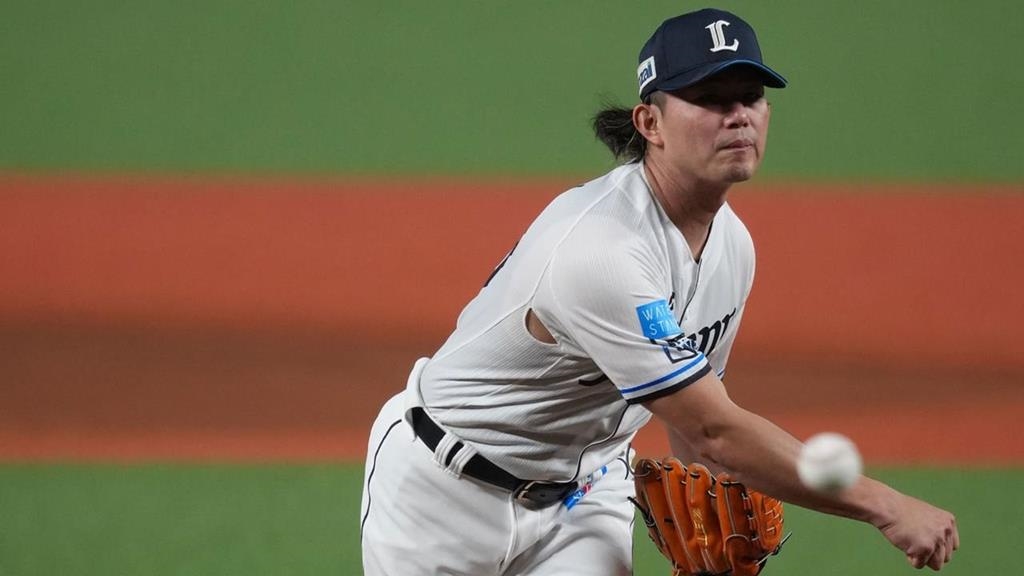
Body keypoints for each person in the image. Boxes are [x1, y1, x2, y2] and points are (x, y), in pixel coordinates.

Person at [360, 8, 958, 575]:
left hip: (584, 497)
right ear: (650, 123)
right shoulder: (602, 250)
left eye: (751, 97)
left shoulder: (732, 246)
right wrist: (885, 506)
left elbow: (697, 415)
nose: (738, 116)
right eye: (711, 99)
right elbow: (715, 432)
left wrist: (710, 523)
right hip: (443, 492)